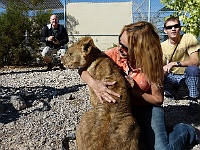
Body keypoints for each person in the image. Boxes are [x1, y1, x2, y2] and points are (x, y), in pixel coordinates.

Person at [78, 22, 200, 149]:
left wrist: (131, 89)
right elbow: (82, 68)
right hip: (121, 110)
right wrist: (95, 84)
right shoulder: (113, 54)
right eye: (119, 42)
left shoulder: (152, 64)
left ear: (140, 48)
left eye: (125, 47)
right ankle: (155, 131)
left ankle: (187, 131)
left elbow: (158, 100)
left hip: (146, 108)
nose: (119, 48)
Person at [161, 16, 200, 115]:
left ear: (180, 28)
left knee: (193, 70)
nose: (173, 29)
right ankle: (168, 96)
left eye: (176, 26)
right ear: (165, 31)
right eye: (169, 27)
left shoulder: (188, 38)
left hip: (187, 76)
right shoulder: (162, 46)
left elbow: (196, 61)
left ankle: (193, 99)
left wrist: (175, 63)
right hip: (171, 77)